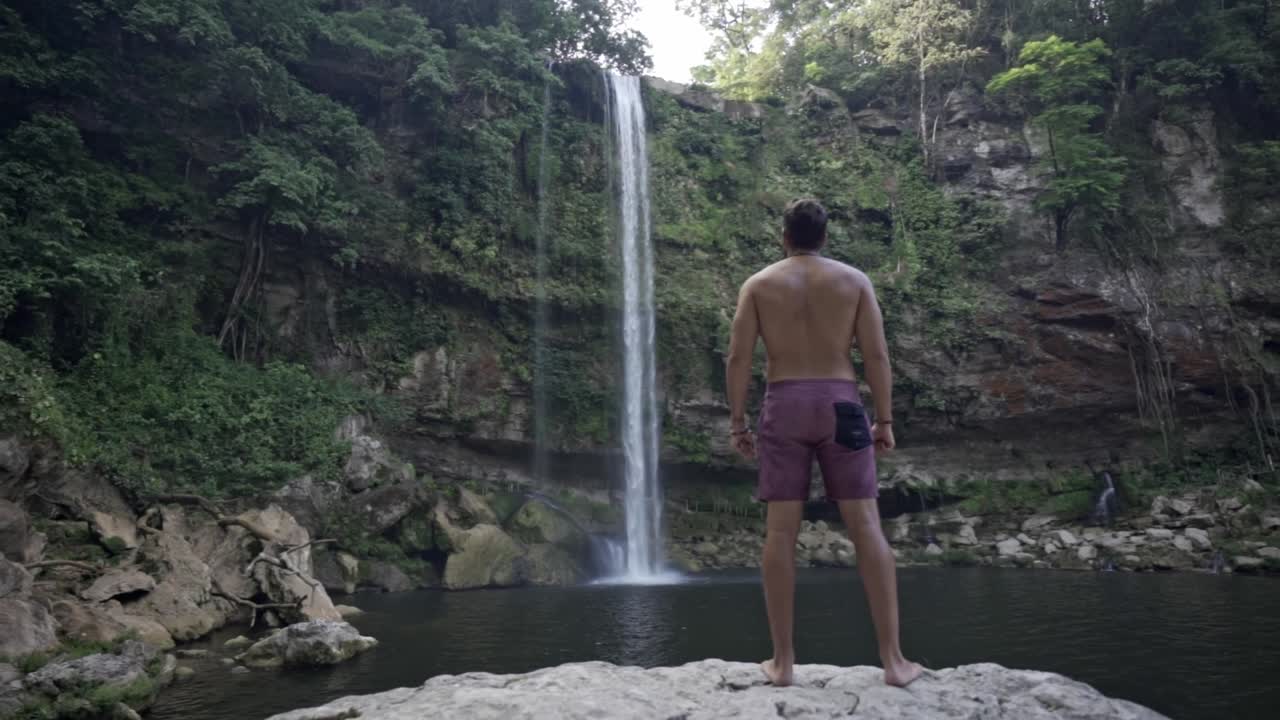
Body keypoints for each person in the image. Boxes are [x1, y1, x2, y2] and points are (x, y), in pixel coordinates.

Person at [724, 198, 922, 688]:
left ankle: (783, 663)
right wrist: (885, 420)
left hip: (784, 404)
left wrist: (737, 423)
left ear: (783, 236)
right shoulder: (854, 282)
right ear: (825, 237)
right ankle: (894, 662)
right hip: (841, 402)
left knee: (779, 534)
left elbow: (737, 359)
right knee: (867, 528)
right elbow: (876, 355)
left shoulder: (758, 285)